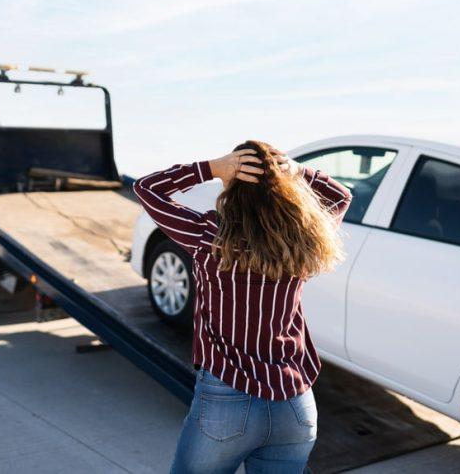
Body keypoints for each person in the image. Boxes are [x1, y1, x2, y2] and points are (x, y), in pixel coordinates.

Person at [133, 140, 352, 474]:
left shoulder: (209, 237)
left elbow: (146, 188)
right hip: (294, 403)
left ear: (230, 185)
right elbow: (341, 196)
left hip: (226, 398)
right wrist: (297, 171)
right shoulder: (304, 239)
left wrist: (211, 168)